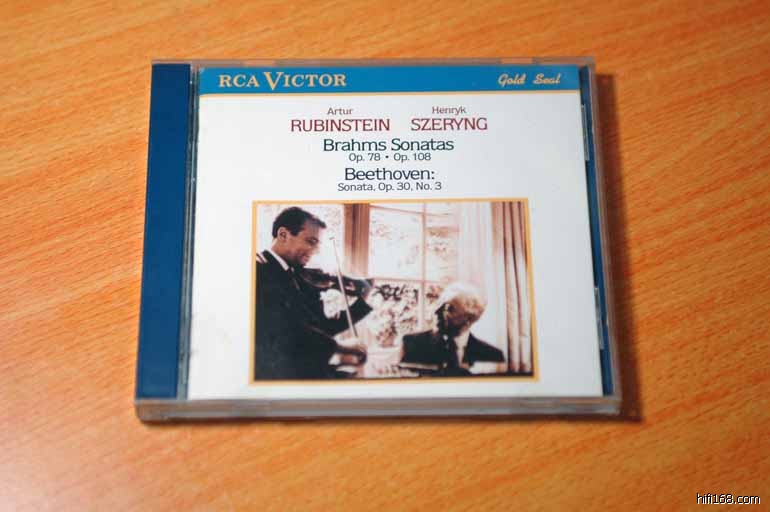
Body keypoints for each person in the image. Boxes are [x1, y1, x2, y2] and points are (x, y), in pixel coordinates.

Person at [255, 207, 372, 379]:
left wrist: (361, 303)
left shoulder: (297, 276)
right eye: (311, 241)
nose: (316, 250)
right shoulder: (259, 270)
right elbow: (286, 329)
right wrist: (339, 346)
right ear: (283, 235)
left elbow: (321, 327)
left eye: (318, 244)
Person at [400, 282, 504, 376]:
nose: (436, 311)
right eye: (438, 304)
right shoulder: (412, 344)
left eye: (448, 308)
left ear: (469, 318)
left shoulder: (492, 355)